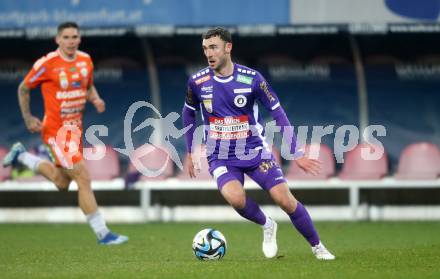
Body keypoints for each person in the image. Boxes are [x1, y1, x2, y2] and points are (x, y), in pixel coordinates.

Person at [182, 27, 335, 260]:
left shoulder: (252, 79)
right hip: (220, 155)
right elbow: (188, 113)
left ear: (228, 47)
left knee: (285, 200)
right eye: (205, 49)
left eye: (213, 47)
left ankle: (317, 246)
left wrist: (296, 152)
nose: (209, 53)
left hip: (254, 151)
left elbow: (278, 113)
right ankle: (267, 224)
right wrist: (191, 151)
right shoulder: (198, 81)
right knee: (235, 198)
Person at [2, 22, 128, 245]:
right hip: (55, 131)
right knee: (83, 177)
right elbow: (23, 87)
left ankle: (21, 156)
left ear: (79, 39)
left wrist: (95, 98)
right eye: (66, 37)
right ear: (57, 40)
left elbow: (87, 86)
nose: (71, 41)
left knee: (62, 182)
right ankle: (103, 234)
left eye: (74, 37)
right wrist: (28, 118)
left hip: (75, 131)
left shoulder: (85, 60)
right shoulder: (47, 63)